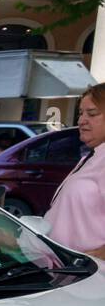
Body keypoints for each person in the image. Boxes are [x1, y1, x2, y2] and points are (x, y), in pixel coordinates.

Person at [45, 84, 105, 259]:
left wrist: (97, 257)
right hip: (62, 272)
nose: (81, 120)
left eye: (92, 114)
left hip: (89, 279)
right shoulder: (92, 156)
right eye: (80, 113)